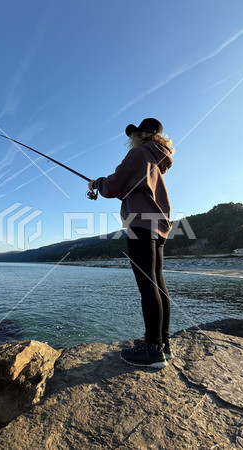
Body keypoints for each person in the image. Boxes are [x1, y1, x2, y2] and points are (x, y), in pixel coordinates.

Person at [88, 118, 175, 369]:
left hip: (140, 223)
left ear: (142, 136)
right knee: (157, 284)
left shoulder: (139, 154)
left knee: (148, 286)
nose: (131, 139)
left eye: (134, 134)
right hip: (158, 225)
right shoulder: (158, 158)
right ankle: (162, 344)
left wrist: (97, 184)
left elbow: (115, 185)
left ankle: (152, 351)